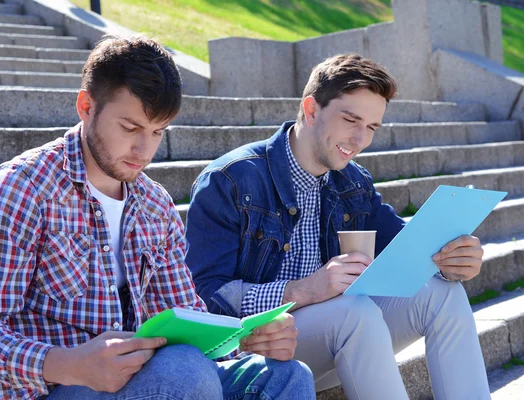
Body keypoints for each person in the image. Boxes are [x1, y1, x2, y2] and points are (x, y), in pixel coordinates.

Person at [0, 35, 315, 400]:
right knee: (183, 371)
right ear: (86, 106)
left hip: (146, 381)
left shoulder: (154, 204)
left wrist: (245, 340)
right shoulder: (18, 190)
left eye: (157, 132)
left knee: (286, 376)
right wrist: (69, 364)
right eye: (130, 128)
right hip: (49, 389)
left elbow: (184, 316)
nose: (144, 150)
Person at [185, 53, 491, 399]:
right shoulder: (231, 180)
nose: (360, 139)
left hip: (338, 341)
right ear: (312, 110)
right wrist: (303, 290)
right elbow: (203, 297)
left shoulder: (353, 182)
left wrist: (451, 259)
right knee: (354, 312)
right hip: (254, 350)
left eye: (372, 127)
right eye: (351, 120)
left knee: (442, 294)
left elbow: (411, 248)